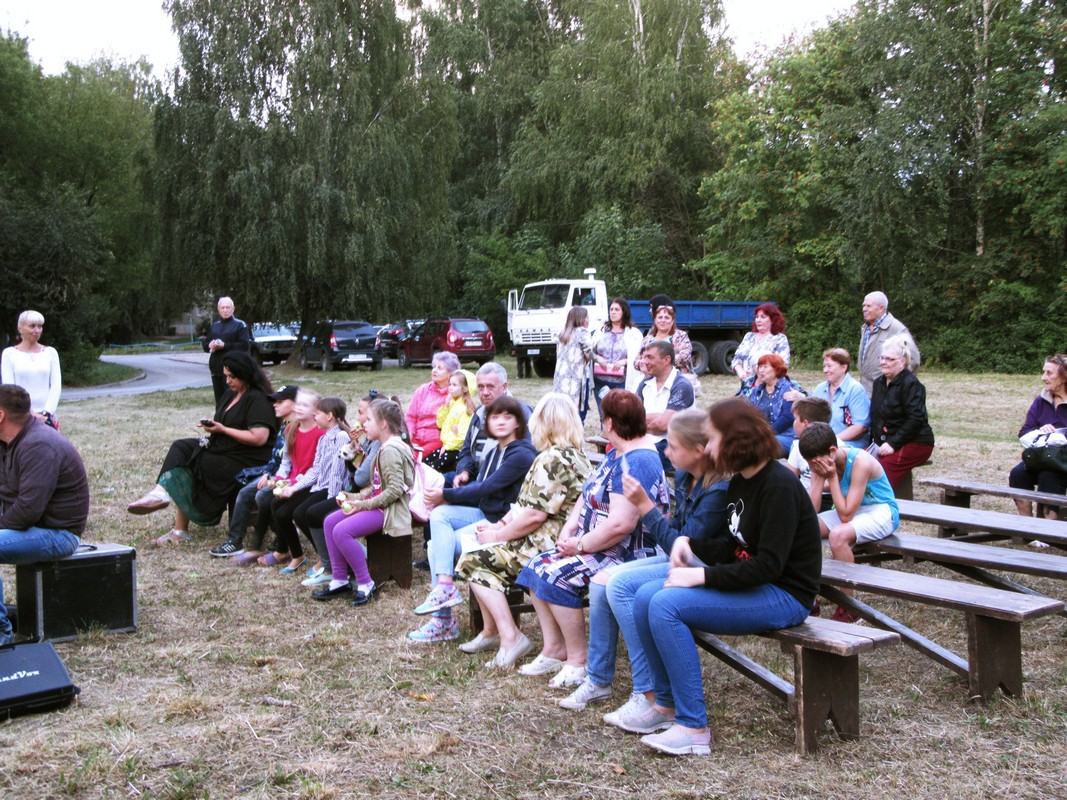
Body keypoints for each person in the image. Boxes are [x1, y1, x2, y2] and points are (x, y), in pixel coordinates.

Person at [628, 398, 821, 756]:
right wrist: (690, 543)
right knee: (643, 597)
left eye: (713, 438)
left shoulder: (777, 484)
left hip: (785, 594)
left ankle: (693, 727)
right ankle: (664, 707)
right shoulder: (742, 482)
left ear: (735, 440)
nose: (710, 446)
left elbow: (768, 566)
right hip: (757, 584)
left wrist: (700, 578)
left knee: (666, 605)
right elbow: (736, 548)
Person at [558, 408, 729, 714]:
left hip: (701, 568)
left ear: (699, 452)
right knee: (601, 583)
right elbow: (676, 537)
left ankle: (647, 690)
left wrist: (645, 506)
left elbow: (683, 547)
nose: (666, 451)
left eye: (673, 446)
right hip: (677, 560)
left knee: (620, 585)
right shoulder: (687, 477)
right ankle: (598, 679)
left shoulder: (716, 490)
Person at [515, 389, 669, 689]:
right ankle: (553, 648)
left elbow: (620, 526)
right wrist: (568, 529)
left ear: (609, 423)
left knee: (557, 576)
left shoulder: (638, 461)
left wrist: (580, 546)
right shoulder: (618, 453)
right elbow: (586, 495)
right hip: (595, 544)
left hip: (625, 553)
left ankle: (577, 660)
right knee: (536, 568)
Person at [455, 393, 592, 666]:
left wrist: (496, 535)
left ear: (545, 423)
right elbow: (525, 506)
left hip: (547, 543)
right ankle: (496, 632)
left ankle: (510, 637)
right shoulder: (573, 456)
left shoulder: (552, 459)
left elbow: (533, 516)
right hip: (551, 538)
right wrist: (499, 525)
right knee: (479, 549)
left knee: (472, 560)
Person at [409, 396, 537, 643]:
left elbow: (487, 487)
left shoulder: (521, 453)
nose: (500, 422)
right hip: (485, 512)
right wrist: (449, 496)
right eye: (495, 417)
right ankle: (445, 588)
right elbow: (479, 488)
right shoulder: (496, 448)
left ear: (519, 424)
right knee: (438, 515)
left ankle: (443, 619)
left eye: (507, 417)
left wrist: (445, 494)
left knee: (436, 546)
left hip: (503, 523)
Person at [127, 351, 278, 545]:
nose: (228, 381)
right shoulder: (230, 394)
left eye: (232, 376)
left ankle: (180, 530)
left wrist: (223, 429)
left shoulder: (257, 399)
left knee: (199, 462)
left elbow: (259, 438)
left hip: (247, 457)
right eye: (226, 376)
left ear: (246, 375)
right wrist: (214, 426)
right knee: (181, 447)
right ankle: (159, 494)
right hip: (224, 448)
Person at [0, 385, 89, 644]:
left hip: (57, 534)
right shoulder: (8, 442)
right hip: (28, 526)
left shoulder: (39, 444)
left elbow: (27, 512)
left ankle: (2, 633)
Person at [314, 398, 414, 606]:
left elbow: (394, 490)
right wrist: (357, 497)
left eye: (368, 419)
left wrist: (364, 504)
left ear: (383, 424)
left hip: (390, 511)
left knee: (341, 531)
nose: (363, 424)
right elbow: (379, 485)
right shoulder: (383, 447)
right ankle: (340, 580)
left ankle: (366, 583)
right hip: (378, 504)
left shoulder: (392, 450)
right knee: (330, 521)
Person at [800, 421, 899, 623]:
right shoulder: (822, 463)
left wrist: (832, 478)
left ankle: (849, 606)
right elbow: (810, 513)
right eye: (811, 464)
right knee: (803, 529)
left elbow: (845, 516)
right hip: (852, 508)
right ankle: (808, 595)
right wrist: (818, 479)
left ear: (833, 450)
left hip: (881, 510)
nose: (815, 467)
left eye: (817, 462)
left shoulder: (860, 462)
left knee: (838, 535)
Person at [297, 394, 383, 584]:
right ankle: (337, 575)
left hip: (376, 504)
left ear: (381, 421)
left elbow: (361, 478)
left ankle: (360, 579)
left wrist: (357, 500)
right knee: (319, 518)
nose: (360, 420)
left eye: (364, 415)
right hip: (360, 494)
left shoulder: (382, 445)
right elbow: (354, 473)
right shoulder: (366, 439)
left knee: (328, 521)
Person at [209, 384, 299, 558]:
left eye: (280, 401)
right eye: (275, 401)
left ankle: (241, 541)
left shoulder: (297, 430)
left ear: (296, 404)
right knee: (243, 485)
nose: (275, 404)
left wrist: (273, 477)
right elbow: (277, 458)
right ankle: (275, 537)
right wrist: (268, 473)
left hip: (289, 479)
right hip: (274, 472)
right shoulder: (284, 427)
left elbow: (294, 463)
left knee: (256, 494)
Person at [267, 396, 351, 575]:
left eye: (318, 413)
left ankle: (326, 560)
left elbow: (336, 474)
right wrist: (294, 488)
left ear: (329, 416)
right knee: (296, 511)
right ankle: (323, 557)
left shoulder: (341, 436)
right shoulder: (324, 439)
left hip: (332, 490)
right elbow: (315, 471)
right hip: (321, 486)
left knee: (304, 513)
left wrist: (330, 502)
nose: (315, 415)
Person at [250, 389, 324, 565]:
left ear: (316, 411)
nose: (299, 408)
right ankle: (291, 553)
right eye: (298, 404)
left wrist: (292, 483)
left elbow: (316, 470)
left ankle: (318, 556)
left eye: (305, 405)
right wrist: (278, 478)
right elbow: (286, 461)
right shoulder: (291, 429)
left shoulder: (321, 434)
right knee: (274, 504)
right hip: (293, 481)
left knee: (285, 511)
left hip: (310, 483)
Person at [869, 334, 935, 491]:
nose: (883, 362)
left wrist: (892, 443)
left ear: (903, 362)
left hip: (916, 442)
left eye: (889, 359)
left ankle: (882, 509)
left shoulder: (911, 384)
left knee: (880, 474)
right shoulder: (879, 383)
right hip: (886, 442)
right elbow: (877, 417)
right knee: (859, 465)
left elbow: (916, 419)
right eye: (882, 357)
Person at [1009, 354, 1067, 520]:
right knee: (1018, 474)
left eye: (1049, 373)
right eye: (1044, 372)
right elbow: (1025, 430)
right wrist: (1041, 430)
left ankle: (1046, 532)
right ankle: (1027, 527)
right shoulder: (1041, 401)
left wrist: (1057, 434)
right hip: (1042, 456)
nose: (1043, 378)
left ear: (1064, 376)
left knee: (1048, 476)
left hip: (1063, 461)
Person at [636, 340, 695, 473]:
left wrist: (639, 423)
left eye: (650, 357)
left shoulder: (681, 385)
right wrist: (656, 418)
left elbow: (663, 426)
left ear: (666, 360)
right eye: (644, 357)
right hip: (647, 441)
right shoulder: (645, 383)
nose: (644, 362)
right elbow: (631, 417)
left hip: (673, 445)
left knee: (637, 459)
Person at [2, 310, 61, 429]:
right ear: (20, 328)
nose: (37, 330)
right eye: (32, 326)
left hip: (47, 418)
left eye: (40, 326)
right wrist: (31, 413)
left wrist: (46, 414)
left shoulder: (50, 353)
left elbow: (56, 386)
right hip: (20, 416)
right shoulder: (9, 354)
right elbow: (10, 389)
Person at [591, 299, 645, 425]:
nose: (613, 312)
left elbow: (640, 354)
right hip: (600, 380)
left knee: (620, 416)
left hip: (621, 382)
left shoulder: (633, 333)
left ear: (623, 312)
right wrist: (597, 358)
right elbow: (589, 351)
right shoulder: (601, 331)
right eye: (611, 309)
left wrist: (625, 361)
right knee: (603, 416)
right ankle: (604, 443)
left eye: (617, 310)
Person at [858, 291, 920, 395]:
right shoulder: (865, 328)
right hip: (866, 391)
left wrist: (895, 384)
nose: (864, 309)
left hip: (886, 392)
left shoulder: (897, 329)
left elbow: (914, 360)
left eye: (868, 306)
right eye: (864, 306)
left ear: (881, 308)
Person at [746, 354, 804, 458]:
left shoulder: (788, 388)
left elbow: (787, 417)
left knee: (759, 446)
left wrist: (765, 433)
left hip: (787, 436)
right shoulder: (757, 391)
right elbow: (748, 413)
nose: (761, 370)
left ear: (777, 369)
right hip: (762, 435)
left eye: (765, 367)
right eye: (759, 367)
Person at [406, 351, 461, 460]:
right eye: (434, 367)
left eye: (440, 368)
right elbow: (411, 417)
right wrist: (409, 435)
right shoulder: (422, 390)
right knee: (399, 453)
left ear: (450, 373)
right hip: (415, 438)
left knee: (412, 458)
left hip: (437, 441)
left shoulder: (454, 396)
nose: (434, 370)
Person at [810, 348, 870, 448]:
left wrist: (832, 440)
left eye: (829, 366)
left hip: (849, 443)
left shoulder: (855, 389)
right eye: (824, 366)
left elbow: (860, 427)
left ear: (844, 367)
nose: (825, 370)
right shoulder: (820, 389)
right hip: (822, 442)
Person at [731, 303, 790, 396]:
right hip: (747, 385)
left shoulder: (779, 338)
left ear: (772, 320)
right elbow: (736, 359)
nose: (758, 320)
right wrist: (741, 373)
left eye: (763, 317)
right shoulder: (749, 336)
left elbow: (783, 364)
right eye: (757, 317)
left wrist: (761, 374)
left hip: (768, 387)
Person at [424, 370, 476, 474]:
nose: (450, 387)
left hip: (456, 451)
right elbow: (440, 424)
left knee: (431, 469)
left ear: (465, 388)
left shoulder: (466, 410)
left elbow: (462, 438)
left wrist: (448, 447)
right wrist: (445, 407)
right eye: (450, 384)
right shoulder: (452, 404)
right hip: (447, 447)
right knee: (424, 463)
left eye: (454, 385)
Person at [202, 297, 251, 403]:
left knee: (233, 400)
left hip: (233, 369)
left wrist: (225, 346)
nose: (225, 310)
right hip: (216, 369)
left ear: (233, 308)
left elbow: (244, 346)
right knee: (219, 402)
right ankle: (219, 419)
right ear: (218, 309)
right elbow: (205, 345)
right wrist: (210, 345)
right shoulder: (214, 326)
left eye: (228, 307)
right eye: (222, 308)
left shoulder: (240, 325)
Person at [785, 397, 837, 496]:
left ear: (805, 423)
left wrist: (817, 486)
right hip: (804, 498)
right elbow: (788, 478)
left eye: (795, 419)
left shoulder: (836, 447)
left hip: (829, 498)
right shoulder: (797, 446)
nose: (794, 423)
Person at [636, 299, 696, 379]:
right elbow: (636, 361)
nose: (663, 320)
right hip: (650, 381)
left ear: (672, 321)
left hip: (676, 380)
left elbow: (685, 357)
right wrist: (641, 364)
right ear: (655, 320)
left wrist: (657, 363)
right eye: (660, 317)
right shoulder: (647, 339)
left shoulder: (681, 336)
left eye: (667, 318)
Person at [553, 306, 593, 423]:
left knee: (561, 414)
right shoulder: (582, 332)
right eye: (587, 318)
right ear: (580, 319)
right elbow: (589, 352)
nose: (588, 320)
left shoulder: (562, 334)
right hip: (576, 381)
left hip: (561, 381)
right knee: (578, 415)